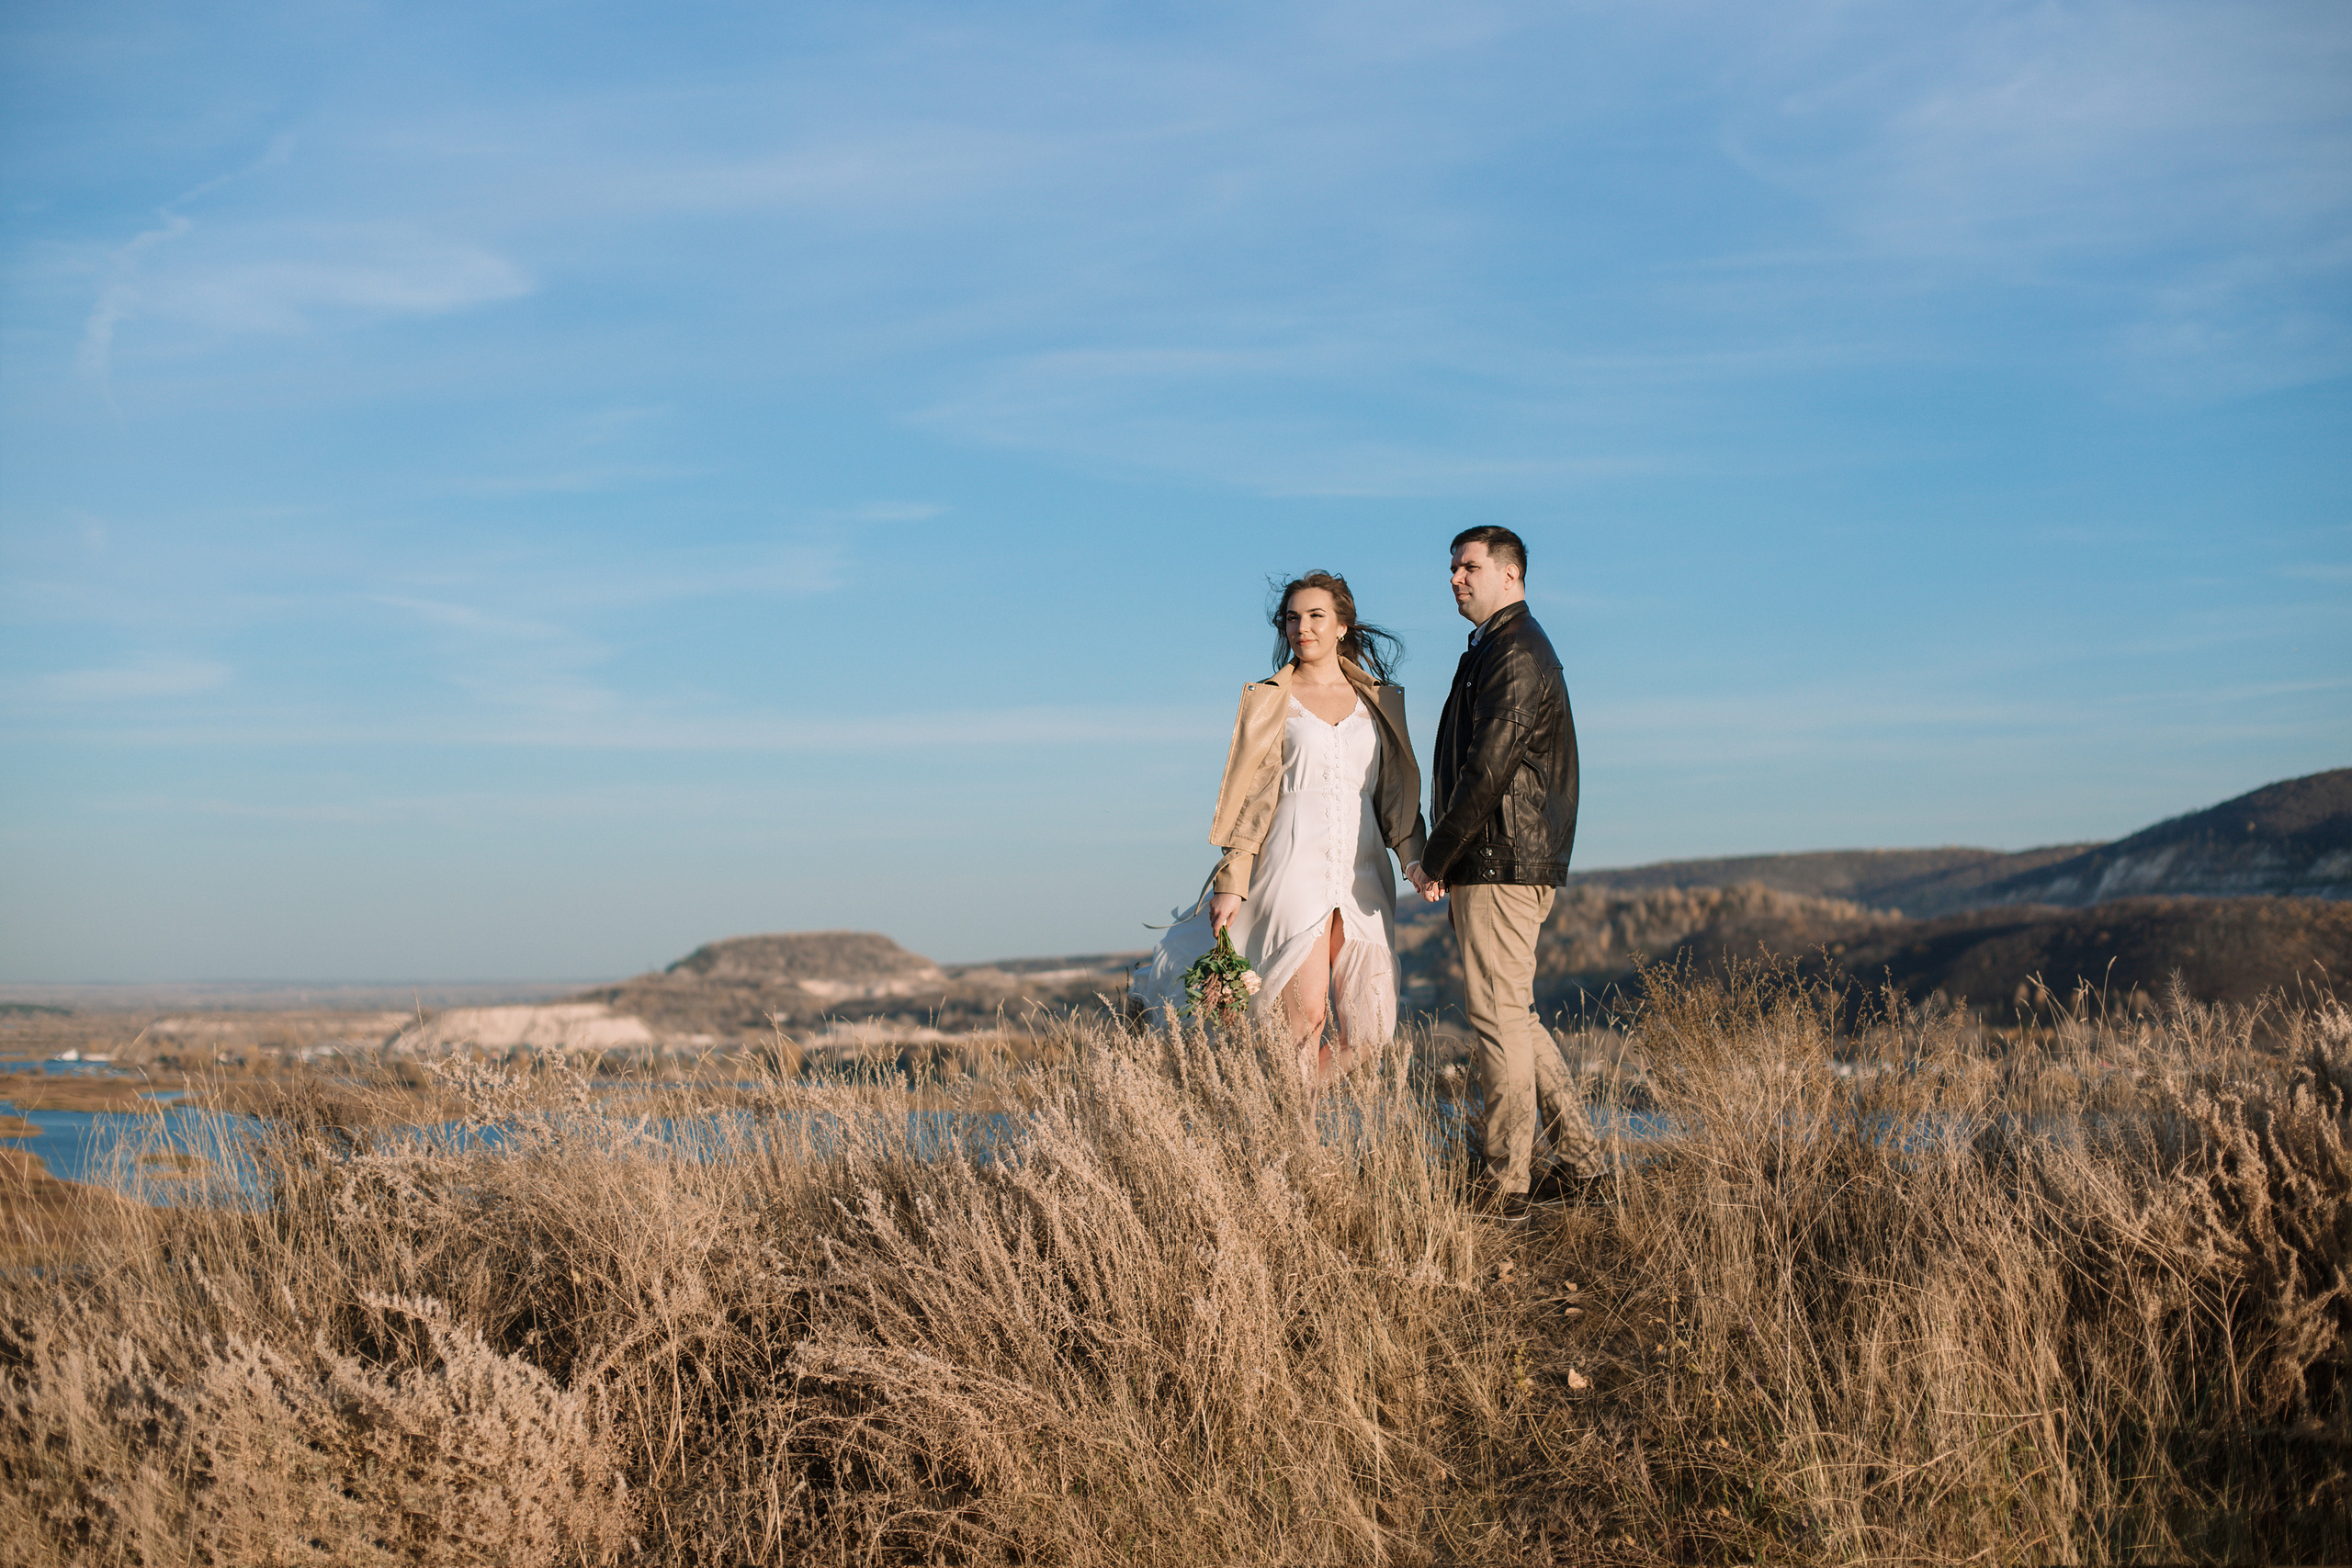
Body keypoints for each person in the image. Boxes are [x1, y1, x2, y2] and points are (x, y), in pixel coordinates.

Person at [1135, 572, 1429, 1087]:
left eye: (1316, 616)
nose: (1302, 628)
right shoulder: (1273, 699)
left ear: (1342, 626)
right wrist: (1232, 879)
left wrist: (1414, 860)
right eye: (1293, 618)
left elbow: (1397, 797)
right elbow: (1251, 797)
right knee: (1302, 1026)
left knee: (1372, 1030)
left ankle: (1277, 1116)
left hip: (1365, 874)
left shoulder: (1380, 701)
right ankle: (1298, 1149)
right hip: (1291, 865)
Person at [1409, 526, 1600, 1218]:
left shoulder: (1515, 650)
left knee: (1496, 1020)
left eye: (1469, 567)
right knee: (1514, 1016)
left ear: (1511, 575)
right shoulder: (1501, 646)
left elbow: (1487, 768)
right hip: (1505, 856)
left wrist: (1438, 857)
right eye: (1452, 568)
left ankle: (1505, 1183)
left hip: (1498, 859)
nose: (1455, 578)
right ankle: (1580, 1162)